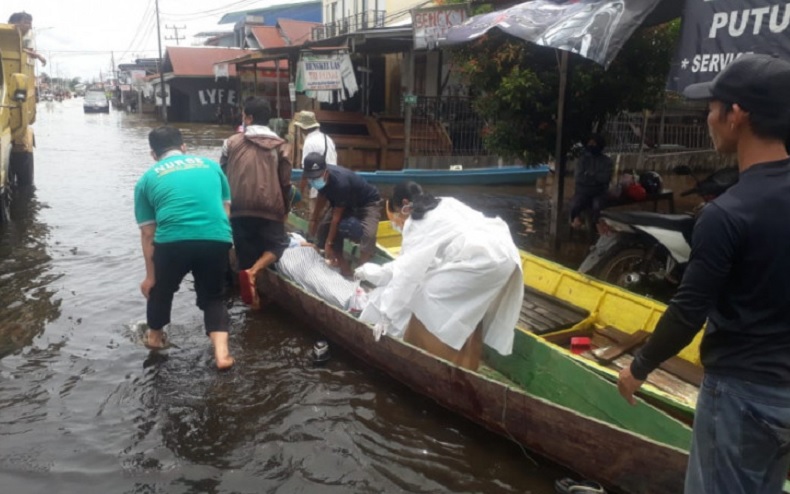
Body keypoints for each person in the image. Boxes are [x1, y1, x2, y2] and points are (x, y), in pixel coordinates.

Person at [616, 54, 790, 494]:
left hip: (742, 394)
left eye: (712, 107)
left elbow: (689, 310)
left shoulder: (726, 214)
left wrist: (639, 366)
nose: (707, 119)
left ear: (737, 115)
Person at [356, 182, 523, 371]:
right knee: (473, 311)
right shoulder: (445, 202)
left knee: (425, 303)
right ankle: (470, 369)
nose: (397, 222)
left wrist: (386, 316)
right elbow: (424, 263)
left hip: (481, 258)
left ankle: (429, 367)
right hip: (505, 254)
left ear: (404, 204)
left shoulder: (416, 222)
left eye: (395, 214)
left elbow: (406, 275)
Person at [134, 127, 234, 370]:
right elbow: (225, 211)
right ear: (184, 147)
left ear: (153, 154)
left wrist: (150, 277)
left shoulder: (146, 179)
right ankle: (222, 355)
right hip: (216, 238)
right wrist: (218, 241)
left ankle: (155, 339)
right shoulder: (211, 166)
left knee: (161, 290)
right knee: (213, 297)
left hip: (172, 242)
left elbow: (148, 233)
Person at [220, 97, 292, 308]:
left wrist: (226, 207)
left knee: (244, 255)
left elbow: (222, 174)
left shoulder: (231, 142)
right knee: (278, 245)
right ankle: (255, 271)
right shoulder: (281, 145)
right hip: (270, 206)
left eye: (243, 116)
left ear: (249, 119)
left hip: (238, 207)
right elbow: (285, 182)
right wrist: (284, 209)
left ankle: (255, 305)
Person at [304, 153, 381, 278]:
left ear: (326, 173)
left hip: (367, 202)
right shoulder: (318, 179)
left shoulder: (341, 183)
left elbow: (336, 218)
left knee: (368, 235)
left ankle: (361, 273)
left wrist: (329, 244)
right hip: (344, 202)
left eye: (316, 177)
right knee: (323, 229)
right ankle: (342, 264)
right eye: (311, 178)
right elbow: (321, 196)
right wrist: (314, 219)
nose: (314, 180)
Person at [293, 111, 337, 212]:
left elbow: (306, 171)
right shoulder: (327, 138)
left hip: (319, 189)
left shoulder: (309, 142)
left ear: (303, 128)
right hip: (333, 185)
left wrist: (300, 193)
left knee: (315, 220)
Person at [569, 134, 613, 229]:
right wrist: (595, 177)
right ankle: (575, 222)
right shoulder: (582, 160)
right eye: (590, 143)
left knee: (597, 206)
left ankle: (596, 227)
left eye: (594, 143)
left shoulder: (607, 161)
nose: (591, 146)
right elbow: (578, 177)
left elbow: (605, 178)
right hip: (582, 191)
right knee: (574, 204)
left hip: (599, 192)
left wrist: (589, 176)